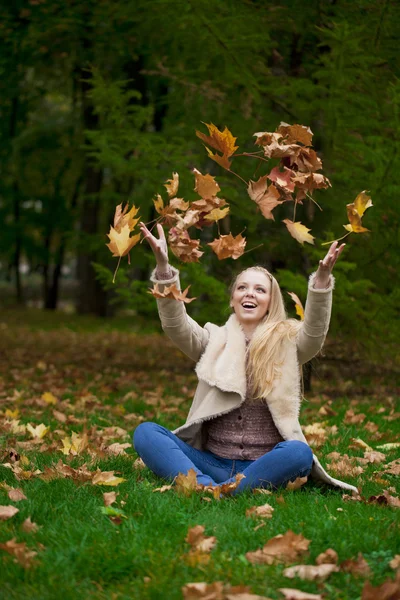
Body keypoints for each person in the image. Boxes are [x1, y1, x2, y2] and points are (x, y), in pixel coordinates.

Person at [133, 222, 358, 495]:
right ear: (233, 299)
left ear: (270, 303)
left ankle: (225, 490)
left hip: (266, 464)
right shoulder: (213, 340)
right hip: (212, 461)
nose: (250, 293)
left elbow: (315, 332)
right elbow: (176, 325)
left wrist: (321, 284)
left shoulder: (288, 342)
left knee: (299, 453)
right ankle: (211, 487)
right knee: (146, 433)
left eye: (260, 290)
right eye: (242, 288)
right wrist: (164, 271)